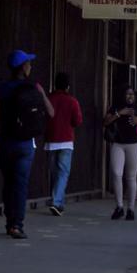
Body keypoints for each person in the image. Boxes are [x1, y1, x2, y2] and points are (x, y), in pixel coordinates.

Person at [0, 50, 54, 239]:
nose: (30, 66)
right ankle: (17, 225)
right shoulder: (33, 87)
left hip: (6, 143)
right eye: (29, 63)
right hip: (25, 144)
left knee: (8, 183)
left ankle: (9, 221)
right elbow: (51, 113)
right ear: (23, 67)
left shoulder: (1, 89)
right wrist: (42, 94)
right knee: (21, 184)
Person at [103, 85, 137, 221]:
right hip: (118, 144)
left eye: (132, 94)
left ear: (135, 96)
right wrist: (119, 113)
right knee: (116, 173)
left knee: (131, 177)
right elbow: (105, 121)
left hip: (134, 144)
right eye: (127, 94)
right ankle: (119, 206)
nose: (130, 97)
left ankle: (131, 209)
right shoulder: (116, 107)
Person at [45, 73, 83, 216]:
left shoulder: (49, 98)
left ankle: (59, 202)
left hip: (50, 140)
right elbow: (77, 121)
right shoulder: (72, 101)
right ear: (68, 86)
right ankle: (56, 202)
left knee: (55, 172)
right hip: (66, 141)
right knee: (63, 173)